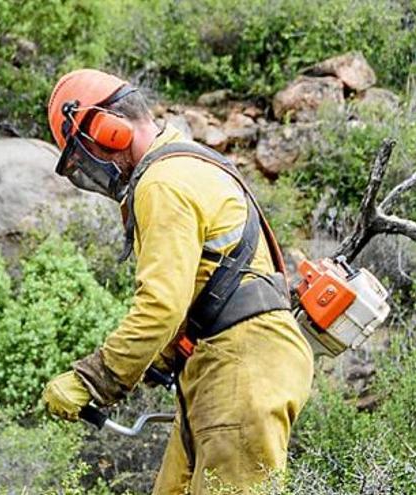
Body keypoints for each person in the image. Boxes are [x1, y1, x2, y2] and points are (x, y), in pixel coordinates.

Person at [40, 69, 314, 494]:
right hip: (221, 363)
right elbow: (200, 288)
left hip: (241, 366)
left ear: (110, 130)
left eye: (87, 156)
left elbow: (161, 306)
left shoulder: (162, 182)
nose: (95, 173)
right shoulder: (185, 164)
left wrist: (91, 379)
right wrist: (160, 361)